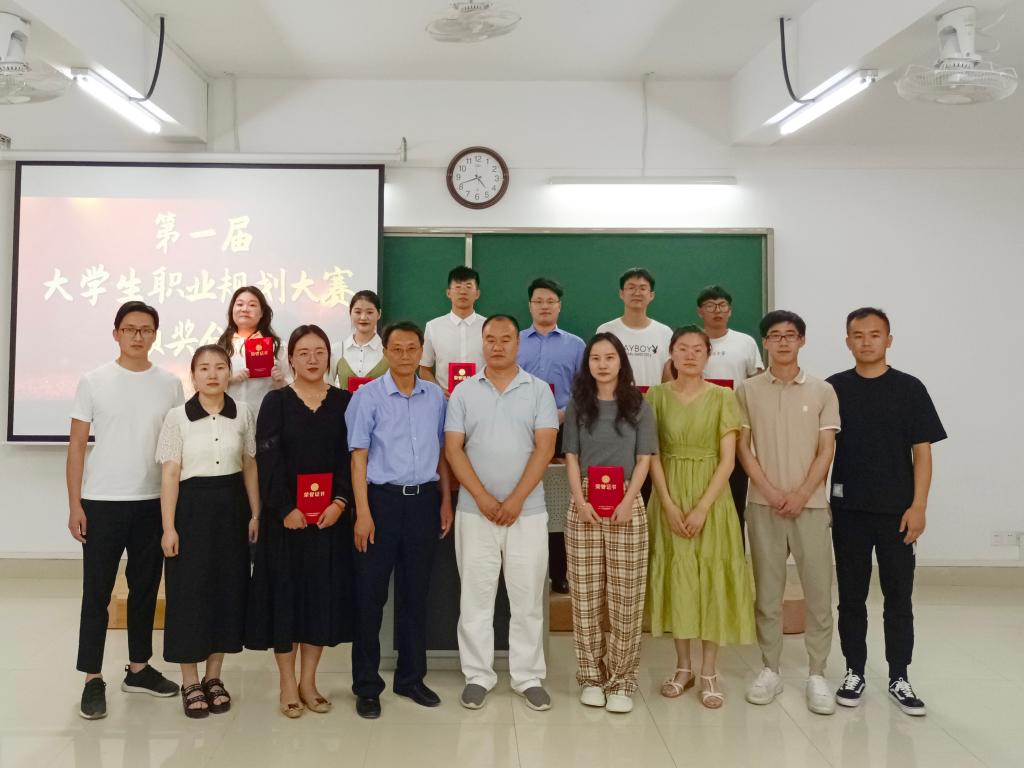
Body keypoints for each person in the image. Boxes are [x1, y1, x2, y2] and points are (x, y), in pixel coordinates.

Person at [67, 300, 184, 720]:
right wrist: (75, 504)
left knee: (145, 588)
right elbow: (76, 446)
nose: (138, 336)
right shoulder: (94, 381)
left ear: (155, 335)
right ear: (116, 333)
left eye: (146, 329)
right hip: (102, 501)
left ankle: (138, 668)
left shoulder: (170, 384)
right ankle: (92, 677)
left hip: (152, 501)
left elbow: (177, 448)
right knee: (97, 593)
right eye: (130, 329)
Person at [827, 308, 946, 717]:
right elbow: (821, 449)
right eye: (858, 335)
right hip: (848, 510)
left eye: (875, 334)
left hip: (897, 512)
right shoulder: (834, 388)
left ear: (889, 340)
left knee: (898, 597)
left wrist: (919, 506)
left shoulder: (910, 388)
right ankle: (854, 671)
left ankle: (899, 676)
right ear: (847, 341)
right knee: (851, 597)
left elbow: (922, 453)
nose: (866, 341)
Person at [445, 314, 559, 712]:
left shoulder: (539, 390)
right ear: (482, 343)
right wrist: (482, 498)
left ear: (518, 344)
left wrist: (514, 500)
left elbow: (545, 447)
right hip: (474, 512)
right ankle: (478, 675)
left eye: (506, 339)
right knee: (475, 598)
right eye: (490, 339)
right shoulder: (463, 391)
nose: (497, 346)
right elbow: (454, 448)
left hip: (527, 512)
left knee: (527, 599)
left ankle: (528, 677)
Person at [246, 325, 355, 718]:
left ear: (329, 357)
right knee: (286, 600)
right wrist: (284, 508)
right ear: (290, 358)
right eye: (303, 352)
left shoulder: (344, 402)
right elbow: (267, 458)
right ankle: (287, 683)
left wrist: (340, 502)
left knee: (319, 601)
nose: (312, 359)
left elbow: (350, 457)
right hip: (285, 523)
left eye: (319, 351)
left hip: (329, 523)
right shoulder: (276, 401)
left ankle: (309, 681)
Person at [346, 321, 453, 719]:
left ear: (422, 352)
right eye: (397, 349)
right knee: (369, 598)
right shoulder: (367, 396)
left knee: (415, 595)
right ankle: (366, 686)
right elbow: (358, 457)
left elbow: (442, 452)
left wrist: (445, 500)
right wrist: (363, 512)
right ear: (385, 352)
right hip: (381, 503)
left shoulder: (436, 397)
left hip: (424, 502)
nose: (405, 355)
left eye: (412, 349)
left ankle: (410, 678)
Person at [645, 325, 755, 709]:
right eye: (682, 348)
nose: (690, 355)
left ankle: (709, 671)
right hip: (669, 493)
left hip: (712, 496)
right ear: (671, 354)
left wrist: (704, 506)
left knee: (711, 576)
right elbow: (652, 454)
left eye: (698, 349)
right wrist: (668, 503)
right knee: (679, 577)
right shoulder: (655, 397)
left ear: (708, 355)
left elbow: (729, 459)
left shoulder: (724, 397)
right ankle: (683, 667)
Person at [736, 310, 840, 716]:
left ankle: (817, 673)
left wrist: (800, 493)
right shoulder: (747, 390)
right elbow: (743, 448)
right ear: (764, 342)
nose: (783, 341)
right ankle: (771, 669)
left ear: (802, 341)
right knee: (767, 593)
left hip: (810, 506)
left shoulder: (823, 390)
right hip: (763, 505)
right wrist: (771, 490)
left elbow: (826, 450)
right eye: (775, 335)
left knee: (818, 592)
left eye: (791, 335)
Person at [157, 345, 260, 718]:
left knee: (227, 592)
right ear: (193, 375)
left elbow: (250, 465)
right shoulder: (177, 417)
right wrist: (169, 527)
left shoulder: (243, 412)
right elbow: (170, 474)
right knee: (189, 594)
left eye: (219, 367)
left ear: (230, 372)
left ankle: (214, 677)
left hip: (232, 509)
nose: (212, 374)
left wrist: (255, 513)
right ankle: (189, 680)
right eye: (204, 368)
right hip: (191, 512)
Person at [563, 332, 656, 714]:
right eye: (595, 358)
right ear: (587, 364)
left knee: (626, 598)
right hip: (584, 502)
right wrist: (579, 500)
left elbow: (645, 458)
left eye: (610, 357)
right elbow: (571, 457)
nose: (602, 364)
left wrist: (629, 500)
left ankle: (622, 680)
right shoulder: (577, 404)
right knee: (585, 597)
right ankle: (590, 677)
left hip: (626, 501)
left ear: (621, 362)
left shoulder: (639, 404)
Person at [516, 277, 585, 594]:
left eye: (550, 301)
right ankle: (524, 571)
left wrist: (562, 413)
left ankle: (559, 572)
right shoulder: (515, 341)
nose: (544, 306)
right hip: (518, 430)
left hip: (561, 427)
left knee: (558, 499)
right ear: (530, 305)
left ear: (560, 306)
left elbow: (584, 390)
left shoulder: (576, 345)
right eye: (538, 301)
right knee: (522, 492)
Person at [696, 285, 763, 540]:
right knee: (699, 498)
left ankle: (735, 554)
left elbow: (756, 384)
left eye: (722, 305)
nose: (717, 310)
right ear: (700, 311)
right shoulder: (691, 342)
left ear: (730, 311)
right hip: (697, 433)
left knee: (734, 500)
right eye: (710, 305)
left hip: (734, 432)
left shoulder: (745, 342)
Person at [595, 267, 672, 390]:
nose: (637, 293)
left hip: (652, 400)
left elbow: (668, 377)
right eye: (631, 288)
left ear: (651, 295)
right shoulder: (606, 331)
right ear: (621, 293)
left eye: (643, 288)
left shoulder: (665, 333)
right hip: (616, 399)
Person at [217, 286, 286, 417]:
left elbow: (294, 386)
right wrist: (228, 379)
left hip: (266, 418)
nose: (245, 309)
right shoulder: (220, 348)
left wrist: (280, 382)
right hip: (229, 419)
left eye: (252, 305)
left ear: (262, 313)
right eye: (239, 304)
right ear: (232, 310)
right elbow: (206, 385)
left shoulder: (278, 347)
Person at [419, 266, 485, 395]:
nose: (463, 292)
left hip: (482, 399)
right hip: (445, 400)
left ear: (477, 294)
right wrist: (438, 391)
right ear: (448, 293)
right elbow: (424, 369)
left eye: (468, 287)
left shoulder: (488, 327)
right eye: (458, 287)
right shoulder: (433, 327)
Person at [335, 289, 388, 391]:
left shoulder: (388, 350)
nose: (363, 317)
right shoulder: (337, 349)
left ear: (379, 314)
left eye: (370, 312)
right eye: (358, 312)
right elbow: (327, 386)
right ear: (350, 313)